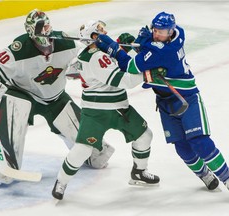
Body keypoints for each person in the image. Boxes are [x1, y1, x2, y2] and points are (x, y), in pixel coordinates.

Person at [95, 12, 229, 200]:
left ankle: (228, 178)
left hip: (186, 98)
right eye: (155, 30)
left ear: (170, 31)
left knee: (200, 142)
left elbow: (130, 67)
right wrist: (144, 41)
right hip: (166, 102)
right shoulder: (178, 33)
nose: (157, 34)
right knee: (181, 147)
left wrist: (114, 49)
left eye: (162, 31)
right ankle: (205, 174)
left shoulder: (163, 51)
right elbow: (150, 50)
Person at [0, 9, 115, 185]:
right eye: (41, 28)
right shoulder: (19, 49)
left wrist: (86, 63)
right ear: (31, 32)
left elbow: (87, 58)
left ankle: (90, 153)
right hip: (22, 95)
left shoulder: (65, 42)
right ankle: (3, 166)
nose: (46, 31)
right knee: (13, 107)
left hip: (56, 98)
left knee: (97, 157)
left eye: (47, 26)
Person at [52, 20, 160, 201]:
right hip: (97, 111)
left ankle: (139, 172)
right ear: (94, 37)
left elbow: (115, 58)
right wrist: (148, 74)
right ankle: (61, 182)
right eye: (101, 31)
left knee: (144, 135)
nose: (105, 32)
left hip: (119, 107)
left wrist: (125, 48)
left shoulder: (100, 51)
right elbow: (124, 79)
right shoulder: (94, 57)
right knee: (83, 149)